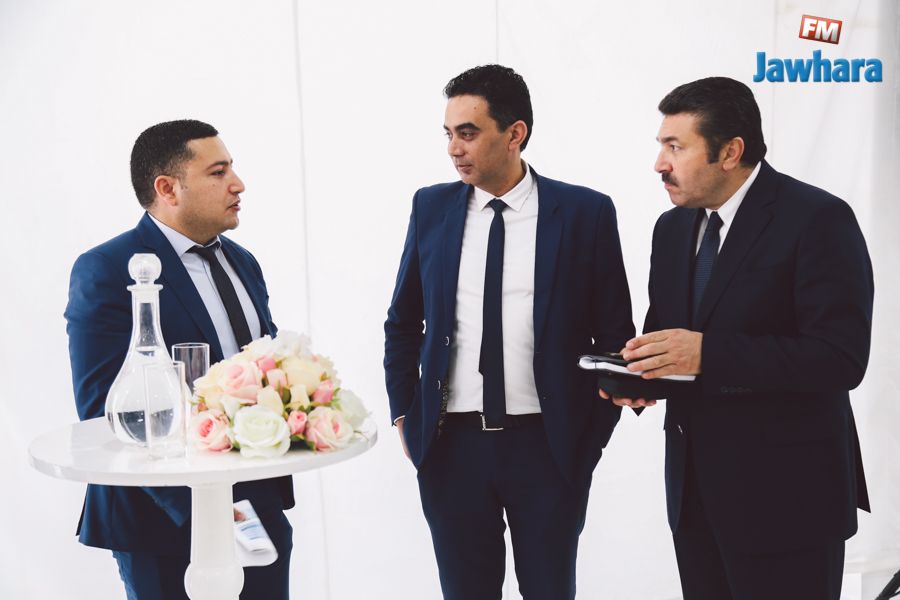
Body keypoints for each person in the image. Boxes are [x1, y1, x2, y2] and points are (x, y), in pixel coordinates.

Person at [600, 77, 873, 599]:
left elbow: (840, 357)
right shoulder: (672, 228)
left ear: (730, 152)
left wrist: (706, 353)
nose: (659, 164)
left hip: (790, 503)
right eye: (661, 145)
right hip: (695, 500)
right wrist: (638, 375)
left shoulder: (818, 218)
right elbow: (674, 344)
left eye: (675, 147)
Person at [384, 64, 634, 599]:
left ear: (515, 133)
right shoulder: (431, 207)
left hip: (548, 447)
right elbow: (402, 323)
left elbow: (614, 334)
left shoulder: (585, 212)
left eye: (468, 133)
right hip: (451, 447)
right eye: (448, 133)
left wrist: (588, 435)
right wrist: (405, 414)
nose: (454, 149)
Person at [65, 120, 294, 600]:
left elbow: (265, 369)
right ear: (167, 188)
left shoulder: (243, 262)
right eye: (218, 172)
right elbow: (104, 408)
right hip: (160, 524)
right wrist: (206, 511)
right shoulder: (106, 269)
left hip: (255, 508)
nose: (238, 184)